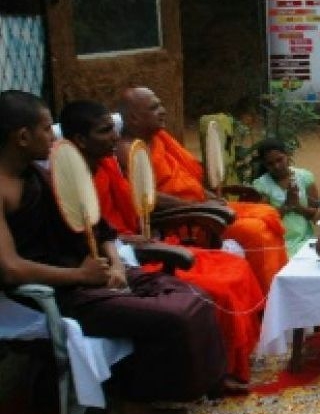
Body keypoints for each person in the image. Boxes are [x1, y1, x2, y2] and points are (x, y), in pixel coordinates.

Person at [0, 90, 227, 403]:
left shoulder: (43, 174)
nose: (54, 136)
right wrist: (81, 277)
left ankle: (190, 391)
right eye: (46, 128)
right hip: (58, 293)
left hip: (95, 273)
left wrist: (116, 265)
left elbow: (100, 227)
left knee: (196, 296)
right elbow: (10, 269)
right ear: (23, 137)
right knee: (174, 318)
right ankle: (146, 401)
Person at [61, 99, 262, 390]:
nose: (115, 137)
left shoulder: (106, 165)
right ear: (80, 140)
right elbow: (101, 233)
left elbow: (110, 225)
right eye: (106, 131)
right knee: (210, 290)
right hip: (119, 262)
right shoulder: (65, 184)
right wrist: (121, 251)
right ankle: (209, 376)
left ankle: (230, 363)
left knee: (234, 266)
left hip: (128, 251)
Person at [116, 87, 287, 292]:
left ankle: (281, 294)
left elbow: (187, 179)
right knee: (255, 231)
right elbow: (145, 197)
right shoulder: (129, 150)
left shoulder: (160, 139)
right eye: (154, 108)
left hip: (201, 206)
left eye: (160, 105)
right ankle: (268, 299)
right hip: (186, 220)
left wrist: (211, 197)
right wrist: (199, 206)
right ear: (134, 118)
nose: (163, 110)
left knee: (267, 212)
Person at [252, 139, 320, 254]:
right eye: (270, 163)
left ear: (287, 155)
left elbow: (317, 216)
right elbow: (264, 222)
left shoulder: (305, 177)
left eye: (279, 160)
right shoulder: (261, 185)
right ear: (264, 164)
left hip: (306, 241)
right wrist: (286, 205)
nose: (277, 166)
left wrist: (298, 207)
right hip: (277, 245)